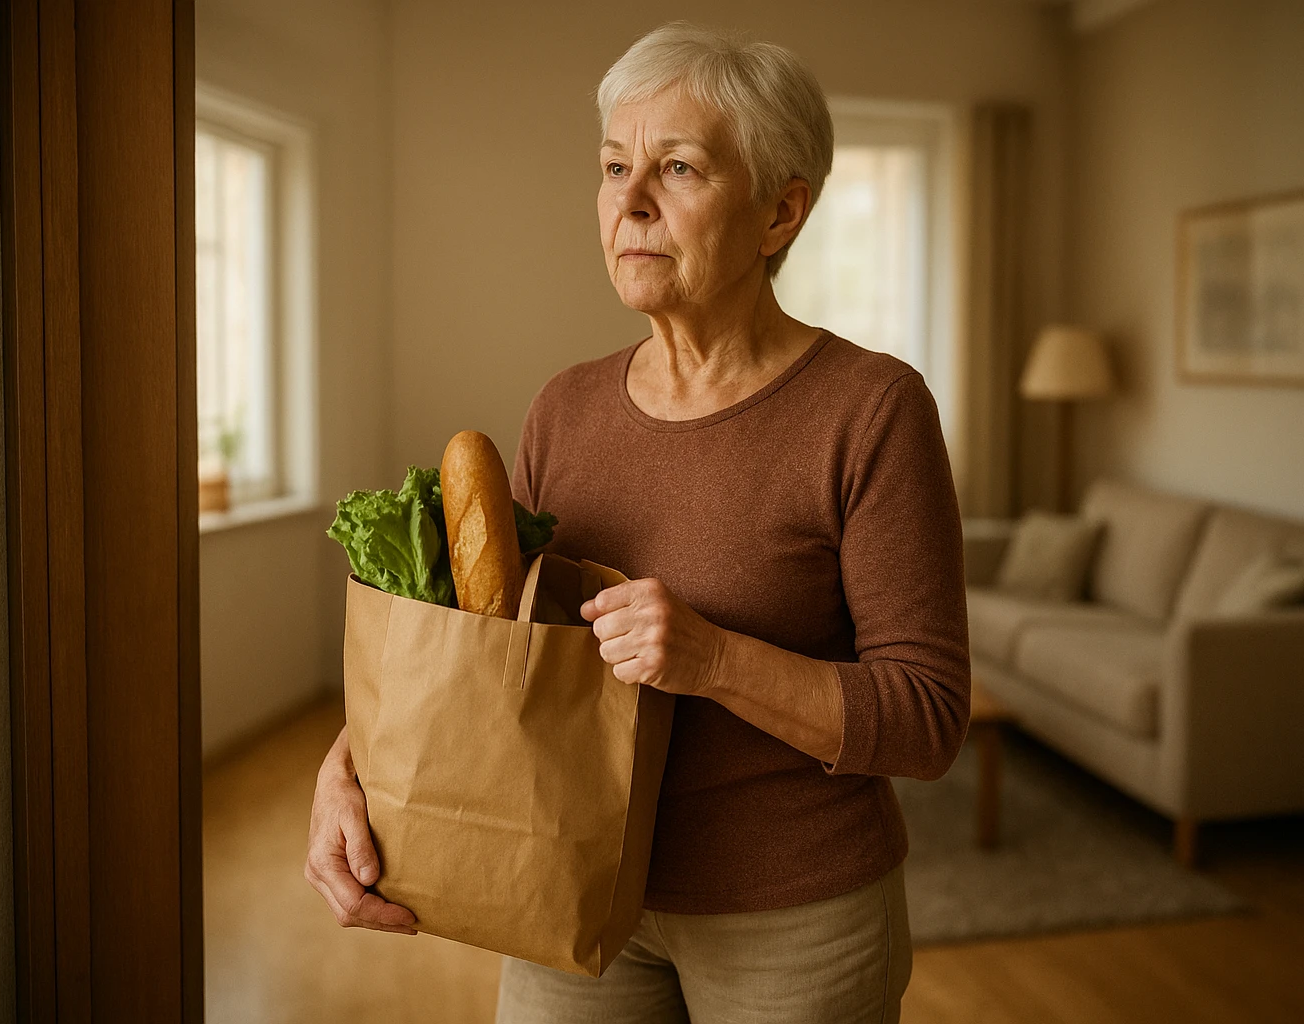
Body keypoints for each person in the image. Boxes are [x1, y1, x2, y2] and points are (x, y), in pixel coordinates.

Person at [305, 20, 971, 1024]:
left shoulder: (871, 410)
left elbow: (925, 718)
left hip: (795, 918)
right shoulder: (563, 408)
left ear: (780, 211)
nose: (630, 200)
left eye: (679, 168)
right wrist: (343, 769)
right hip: (560, 882)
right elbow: (484, 658)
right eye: (615, 166)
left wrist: (710, 657)